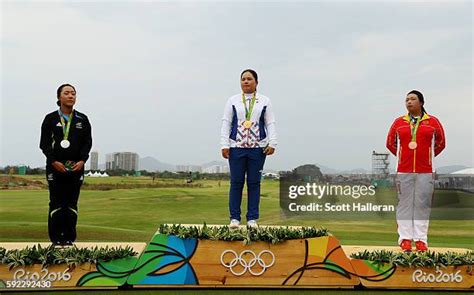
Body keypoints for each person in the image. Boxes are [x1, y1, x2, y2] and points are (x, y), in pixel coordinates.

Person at [386, 90, 445, 252]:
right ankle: (405, 239)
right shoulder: (399, 122)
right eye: (406, 100)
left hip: (426, 171)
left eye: (412, 99)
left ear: (421, 103)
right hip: (403, 171)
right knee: (404, 204)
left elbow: (441, 143)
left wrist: (427, 157)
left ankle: (420, 240)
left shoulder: (433, 122)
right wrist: (403, 157)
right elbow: (390, 143)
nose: (409, 102)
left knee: (422, 204)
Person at [220, 69, 277, 228]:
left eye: (249, 79)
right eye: (243, 79)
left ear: (256, 82)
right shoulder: (233, 100)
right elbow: (226, 122)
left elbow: (270, 122)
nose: (246, 81)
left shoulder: (264, 101)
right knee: (236, 182)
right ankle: (234, 218)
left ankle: (252, 219)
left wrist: (272, 143)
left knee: (254, 183)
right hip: (236, 147)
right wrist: (224, 144)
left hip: (257, 148)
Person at [40, 84, 92, 246]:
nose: (71, 96)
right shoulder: (50, 119)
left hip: (76, 167)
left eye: (73, 93)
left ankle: (69, 239)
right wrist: (54, 161)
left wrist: (82, 161)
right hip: (55, 168)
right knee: (56, 201)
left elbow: (87, 143)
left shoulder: (82, 119)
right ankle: (56, 239)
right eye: (67, 93)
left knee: (71, 202)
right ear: (59, 97)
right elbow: (44, 144)